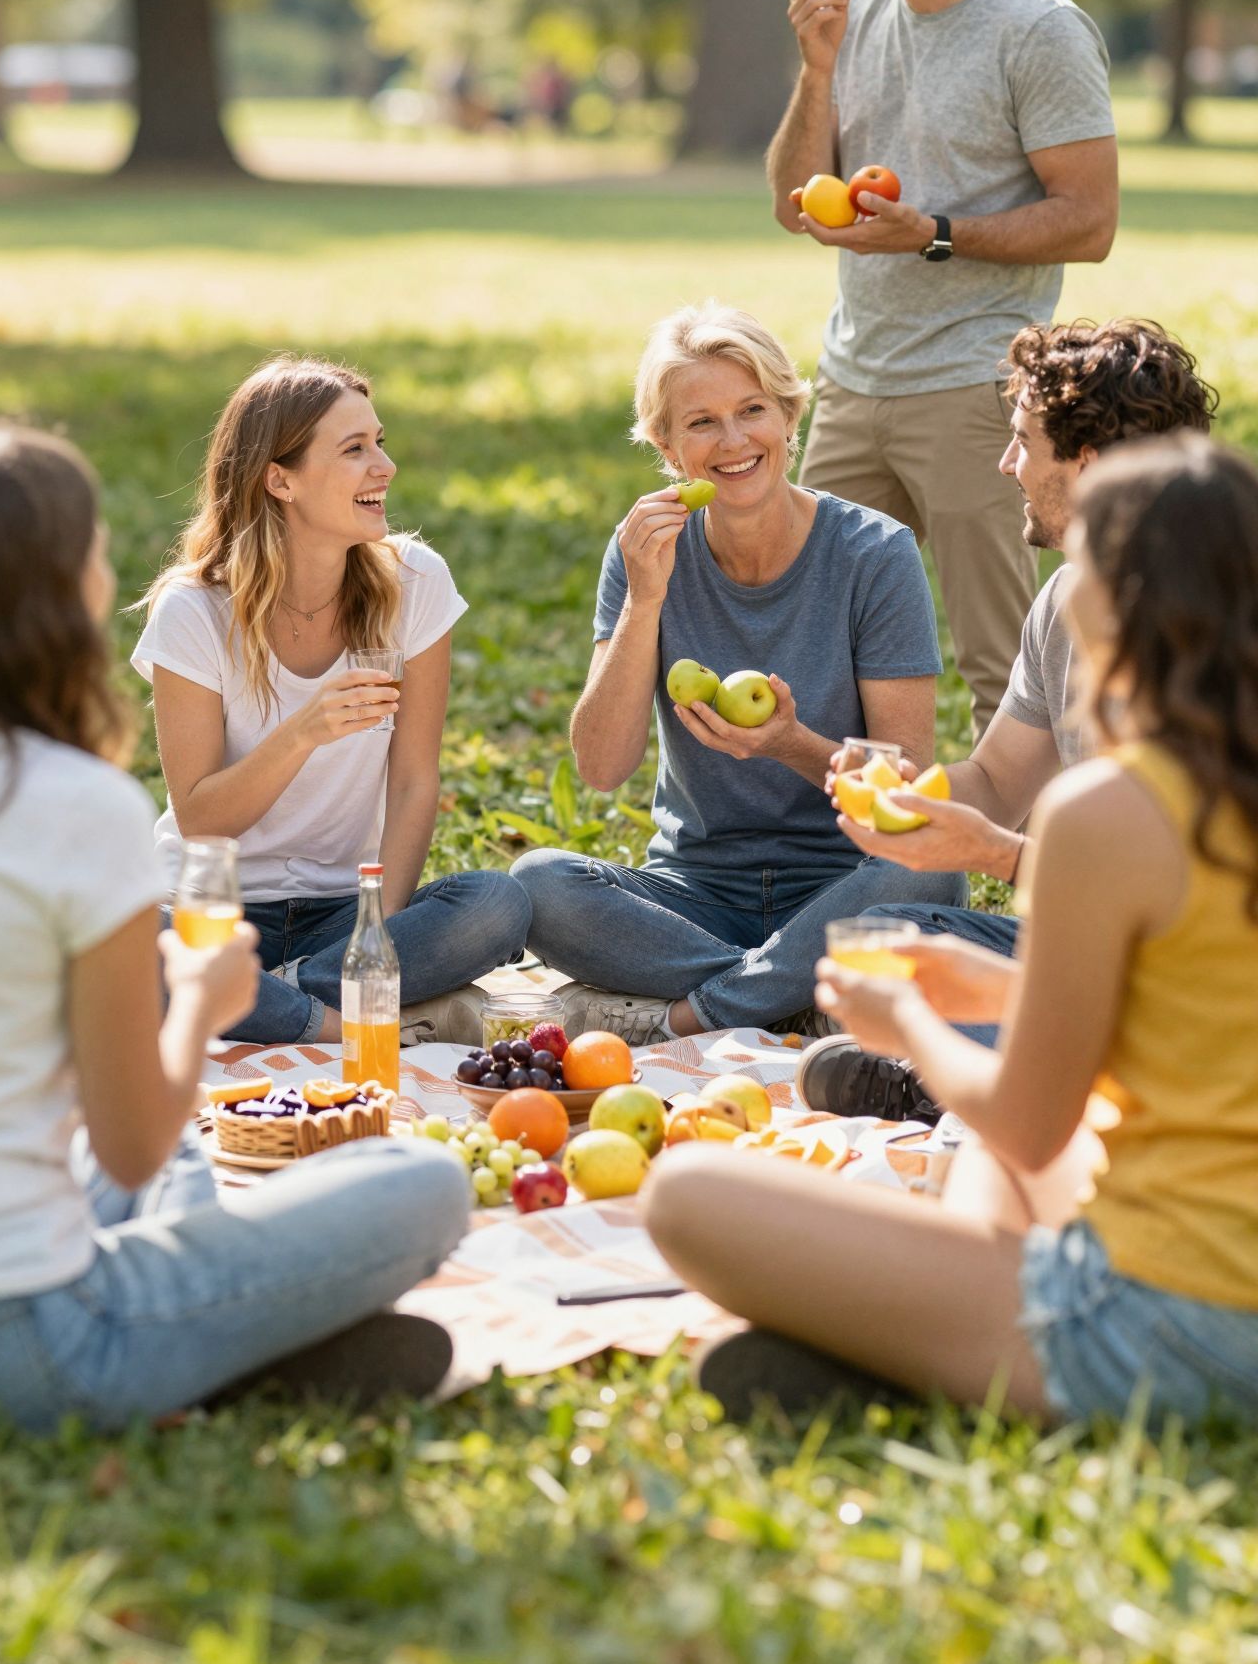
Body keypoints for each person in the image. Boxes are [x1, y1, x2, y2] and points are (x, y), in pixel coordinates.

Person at [0, 424, 469, 1433]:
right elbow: (130, 1143)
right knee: (422, 1180)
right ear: (62, 591)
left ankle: (224, 1338)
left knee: (182, 1169)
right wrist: (202, 1005)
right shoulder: (79, 806)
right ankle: (232, 1350)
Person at [648, 436, 1258, 1428]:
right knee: (981, 1151)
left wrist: (911, 1027)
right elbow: (1203, 1007)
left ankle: (947, 1359)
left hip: (1167, 1325)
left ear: (1118, 604)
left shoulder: (1111, 809)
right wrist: (995, 987)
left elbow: (1028, 1120)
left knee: (687, 1193)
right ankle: (935, 1342)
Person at [766, 0, 1119, 737]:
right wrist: (816, 66)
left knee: (1007, 674)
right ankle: (856, 828)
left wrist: (935, 233)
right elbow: (794, 204)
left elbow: (1090, 221)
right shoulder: (859, 17)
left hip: (974, 385)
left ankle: (1046, 834)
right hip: (853, 382)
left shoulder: (1038, 27)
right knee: (814, 650)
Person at [510, 302, 965, 1045]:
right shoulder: (643, 553)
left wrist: (789, 744)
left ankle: (698, 1014)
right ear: (666, 446)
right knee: (537, 884)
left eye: (752, 410)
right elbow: (601, 766)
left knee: (929, 871)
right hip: (696, 892)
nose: (733, 441)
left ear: (789, 415)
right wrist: (646, 598)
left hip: (844, 883)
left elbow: (903, 784)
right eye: (701, 422)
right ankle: (791, 992)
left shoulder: (874, 553)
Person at [800, 317, 1217, 1121]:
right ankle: (1005, 1066)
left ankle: (985, 1076)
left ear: (1086, 462)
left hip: (1196, 967)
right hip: (1084, 954)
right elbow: (994, 781)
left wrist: (991, 852)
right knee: (887, 934)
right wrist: (906, 794)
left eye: (1023, 441)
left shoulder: (1213, 626)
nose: (1005, 463)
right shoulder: (1062, 602)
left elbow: (1180, 893)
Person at [134, 356, 529, 1048]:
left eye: (380, 442)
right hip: (212, 910)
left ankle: (266, 999)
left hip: (344, 913)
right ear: (279, 480)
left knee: (498, 903)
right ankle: (337, 1017)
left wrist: (379, 937)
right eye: (354, 449)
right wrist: (303, 732)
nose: (385, 466)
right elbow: (200, 819)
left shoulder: (414, 583)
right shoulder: (194, 611)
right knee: (131, 935)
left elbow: (414, 782)